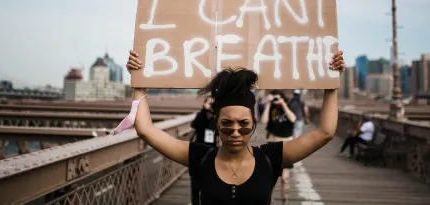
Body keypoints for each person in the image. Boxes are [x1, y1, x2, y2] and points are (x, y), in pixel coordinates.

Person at [126, 49, 345, 205]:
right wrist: (139, 81)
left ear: (254, 123)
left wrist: (331, 84)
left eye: (244, 124)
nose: (236, 132)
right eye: (227, 124)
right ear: (217, 124)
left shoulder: (270, 157)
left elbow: (324, 132)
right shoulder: (199, 156)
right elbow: (146, 130)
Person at [260, 89, 299, 203]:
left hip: (287, 145)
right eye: (273, 97)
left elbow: (293, 119)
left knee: (284, 179)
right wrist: (268, 104)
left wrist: (283, 104)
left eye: (277, 97)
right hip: (272, 144)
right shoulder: (270, 107)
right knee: (272, 177)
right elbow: (263, 121)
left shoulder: (289, 105)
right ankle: (270, 200)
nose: (275, 100)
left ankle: (284, 199)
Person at [190, 96, 217, 205]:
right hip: (199, 150)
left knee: (210, 178)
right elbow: (194, 125)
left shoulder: (217, 116)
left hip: (212, 151)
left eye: (213, 104)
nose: (210, 105)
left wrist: (214, 115)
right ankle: (195, 202)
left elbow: (219, 131)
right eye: (208, 103)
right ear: (204, 103)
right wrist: (204, 113)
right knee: (195, 178)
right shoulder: (200, 115)